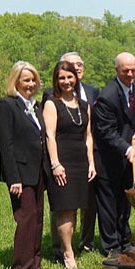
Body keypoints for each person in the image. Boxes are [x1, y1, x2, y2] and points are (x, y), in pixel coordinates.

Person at [0, 61, 48, 269]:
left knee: (37, 218)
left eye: (33, 79)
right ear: (15, 81)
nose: (31, 83)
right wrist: (13, 178)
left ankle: (35, 264)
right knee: (26, 219)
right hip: (20, 174)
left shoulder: (35, 106)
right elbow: (5, 146)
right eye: (26, 79)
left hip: (38, 172)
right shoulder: (6, 106)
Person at [43, 52, 99, 256]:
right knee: (65, 208)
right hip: (63, 161)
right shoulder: (51, 103)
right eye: (62, 77)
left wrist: (91, 163)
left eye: (70, 77)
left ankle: (75, 245)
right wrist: (56, 164)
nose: (66, 81)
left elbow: (89, 136)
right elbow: (49, 135)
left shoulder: (84, 106)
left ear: (76, 78)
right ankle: (67, 252)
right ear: (56, 80)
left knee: (77, 206)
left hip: (81, 162)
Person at [93, 52, 135, 258]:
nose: (130, 74)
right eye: (125, 71)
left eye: (133, 70)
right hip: (108, 158)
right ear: (117, 70)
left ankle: (125, 240)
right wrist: (127, 148)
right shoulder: (107, 96)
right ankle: (111, 246)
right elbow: (106, 132)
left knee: (125, 201)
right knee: (108, 203)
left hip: (127, 157)